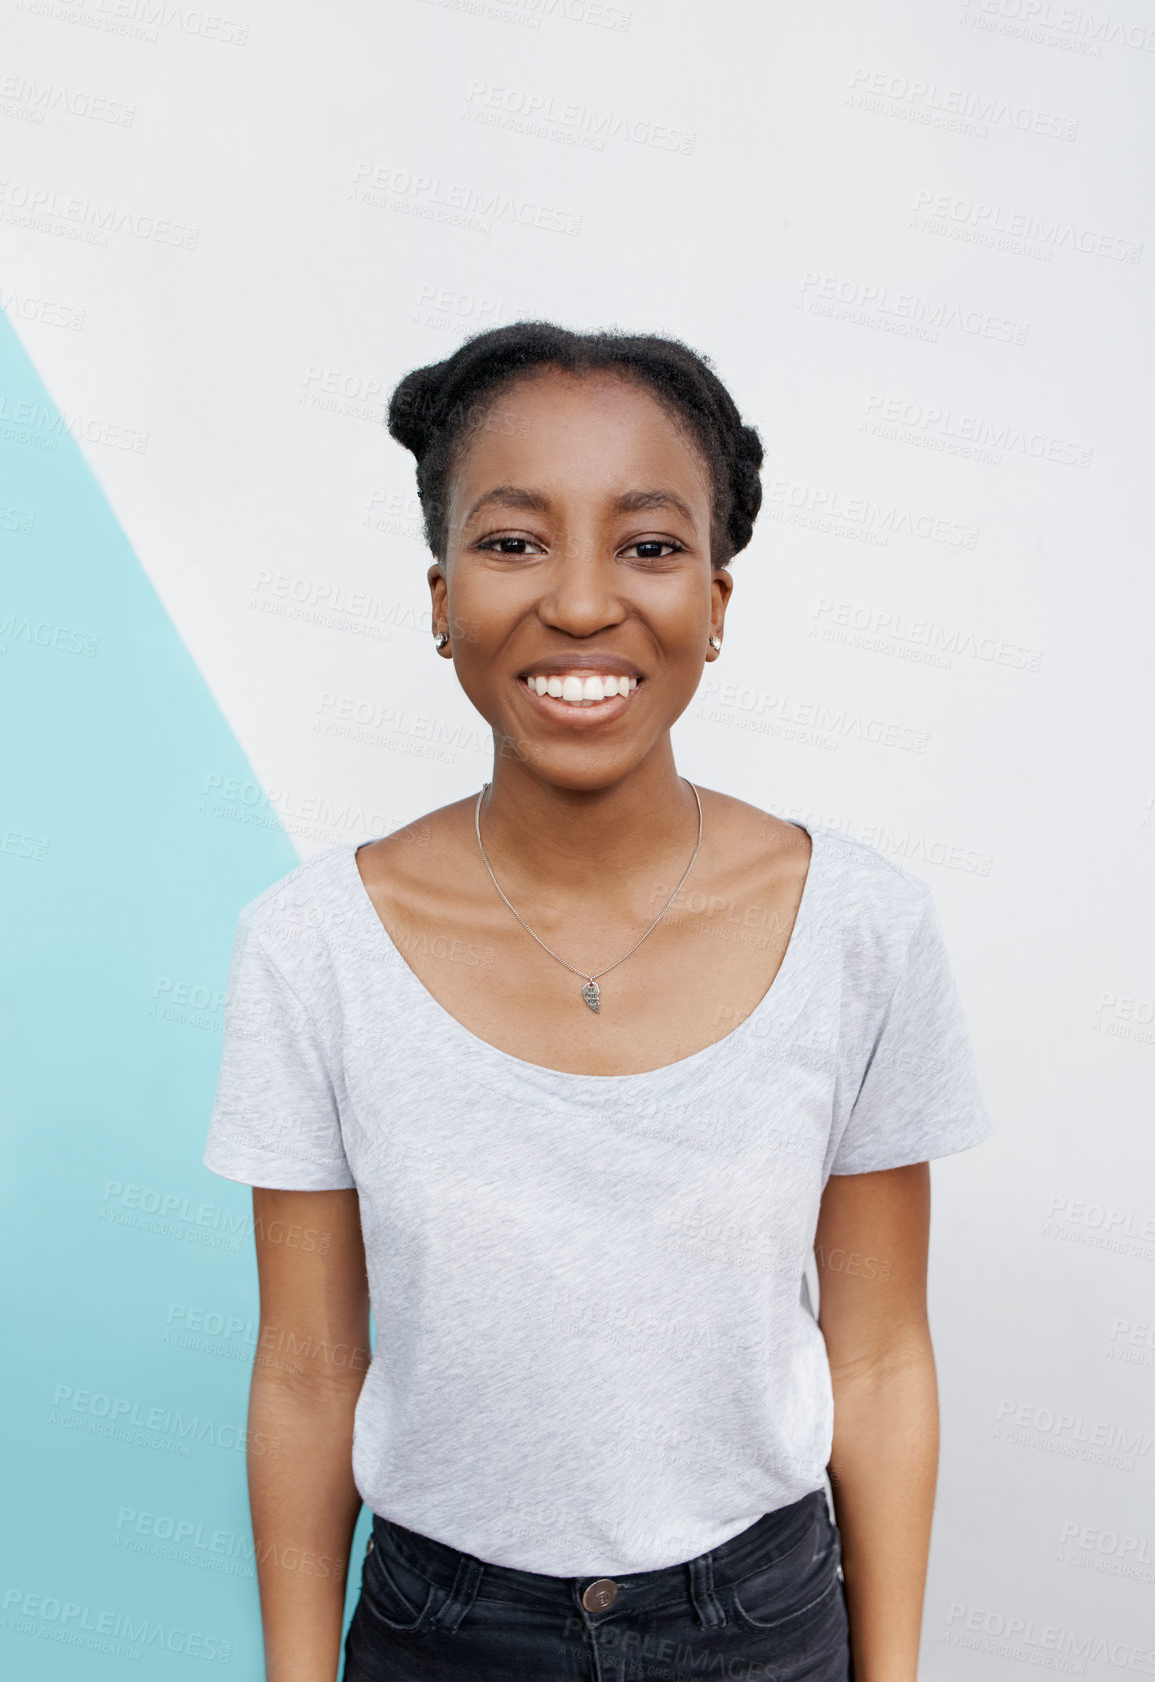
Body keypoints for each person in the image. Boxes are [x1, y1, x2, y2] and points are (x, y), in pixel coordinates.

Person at [204, 321, 992, 1682]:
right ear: (440, 593)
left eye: (648, 544)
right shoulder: (312, 947)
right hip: (440, 1633)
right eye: (514, 543)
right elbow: (309, 1370)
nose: (579, 604)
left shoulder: (860, 926)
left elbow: (876, 1362)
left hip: (759, 1626)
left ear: (717, 603)